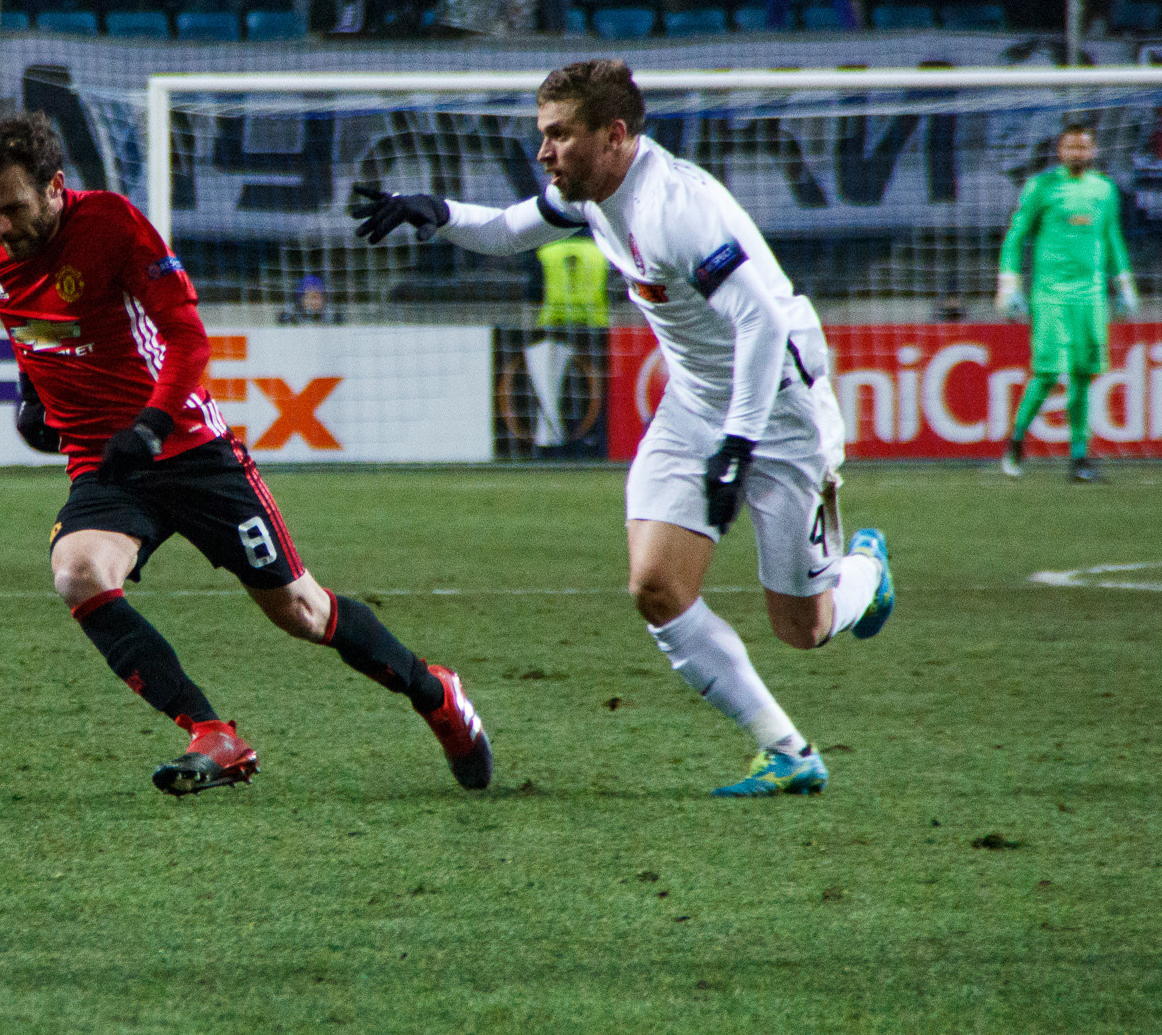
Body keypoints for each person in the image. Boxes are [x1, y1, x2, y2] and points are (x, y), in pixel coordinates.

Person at [351, 59, 896, 796]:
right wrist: (436, 211)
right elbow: (512, 228)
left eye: (558, 135)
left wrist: (739, 443)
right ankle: (789, 751)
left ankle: (866, 570)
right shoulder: (591, 193)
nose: (544, 152)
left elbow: (761, 321)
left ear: (613, 135)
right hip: (695, 404)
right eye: (542, 135)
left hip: (781, 411)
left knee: (805, 627)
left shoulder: (677, 208)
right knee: (655, 585)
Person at [0, 112, 491, 796]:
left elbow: (188, 339)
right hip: (108, 463)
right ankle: (211, 732)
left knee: (302, 612)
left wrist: (151, 424)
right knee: (78, 572)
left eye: (14, 207)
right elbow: (32, 327)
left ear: (55, 187)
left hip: (188, 448)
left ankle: (436, 694)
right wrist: (35, 395)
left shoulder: (114, 225)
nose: (0, 226)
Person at [997, 124, 1138, 483]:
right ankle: (1016, 442)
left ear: (1093, 151)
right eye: (1070, 146)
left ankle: (1079, 458)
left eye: (1083, 147)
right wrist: (1009, 284)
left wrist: (1123, 282)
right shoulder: (1042, 187)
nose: (1077, 152)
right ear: (1060, 151)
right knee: (1046, 373)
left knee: (1083, 375)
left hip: (1090, 295)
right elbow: (1016, 236)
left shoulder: (1104, 190)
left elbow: (1112, 238)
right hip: (1051, 293)